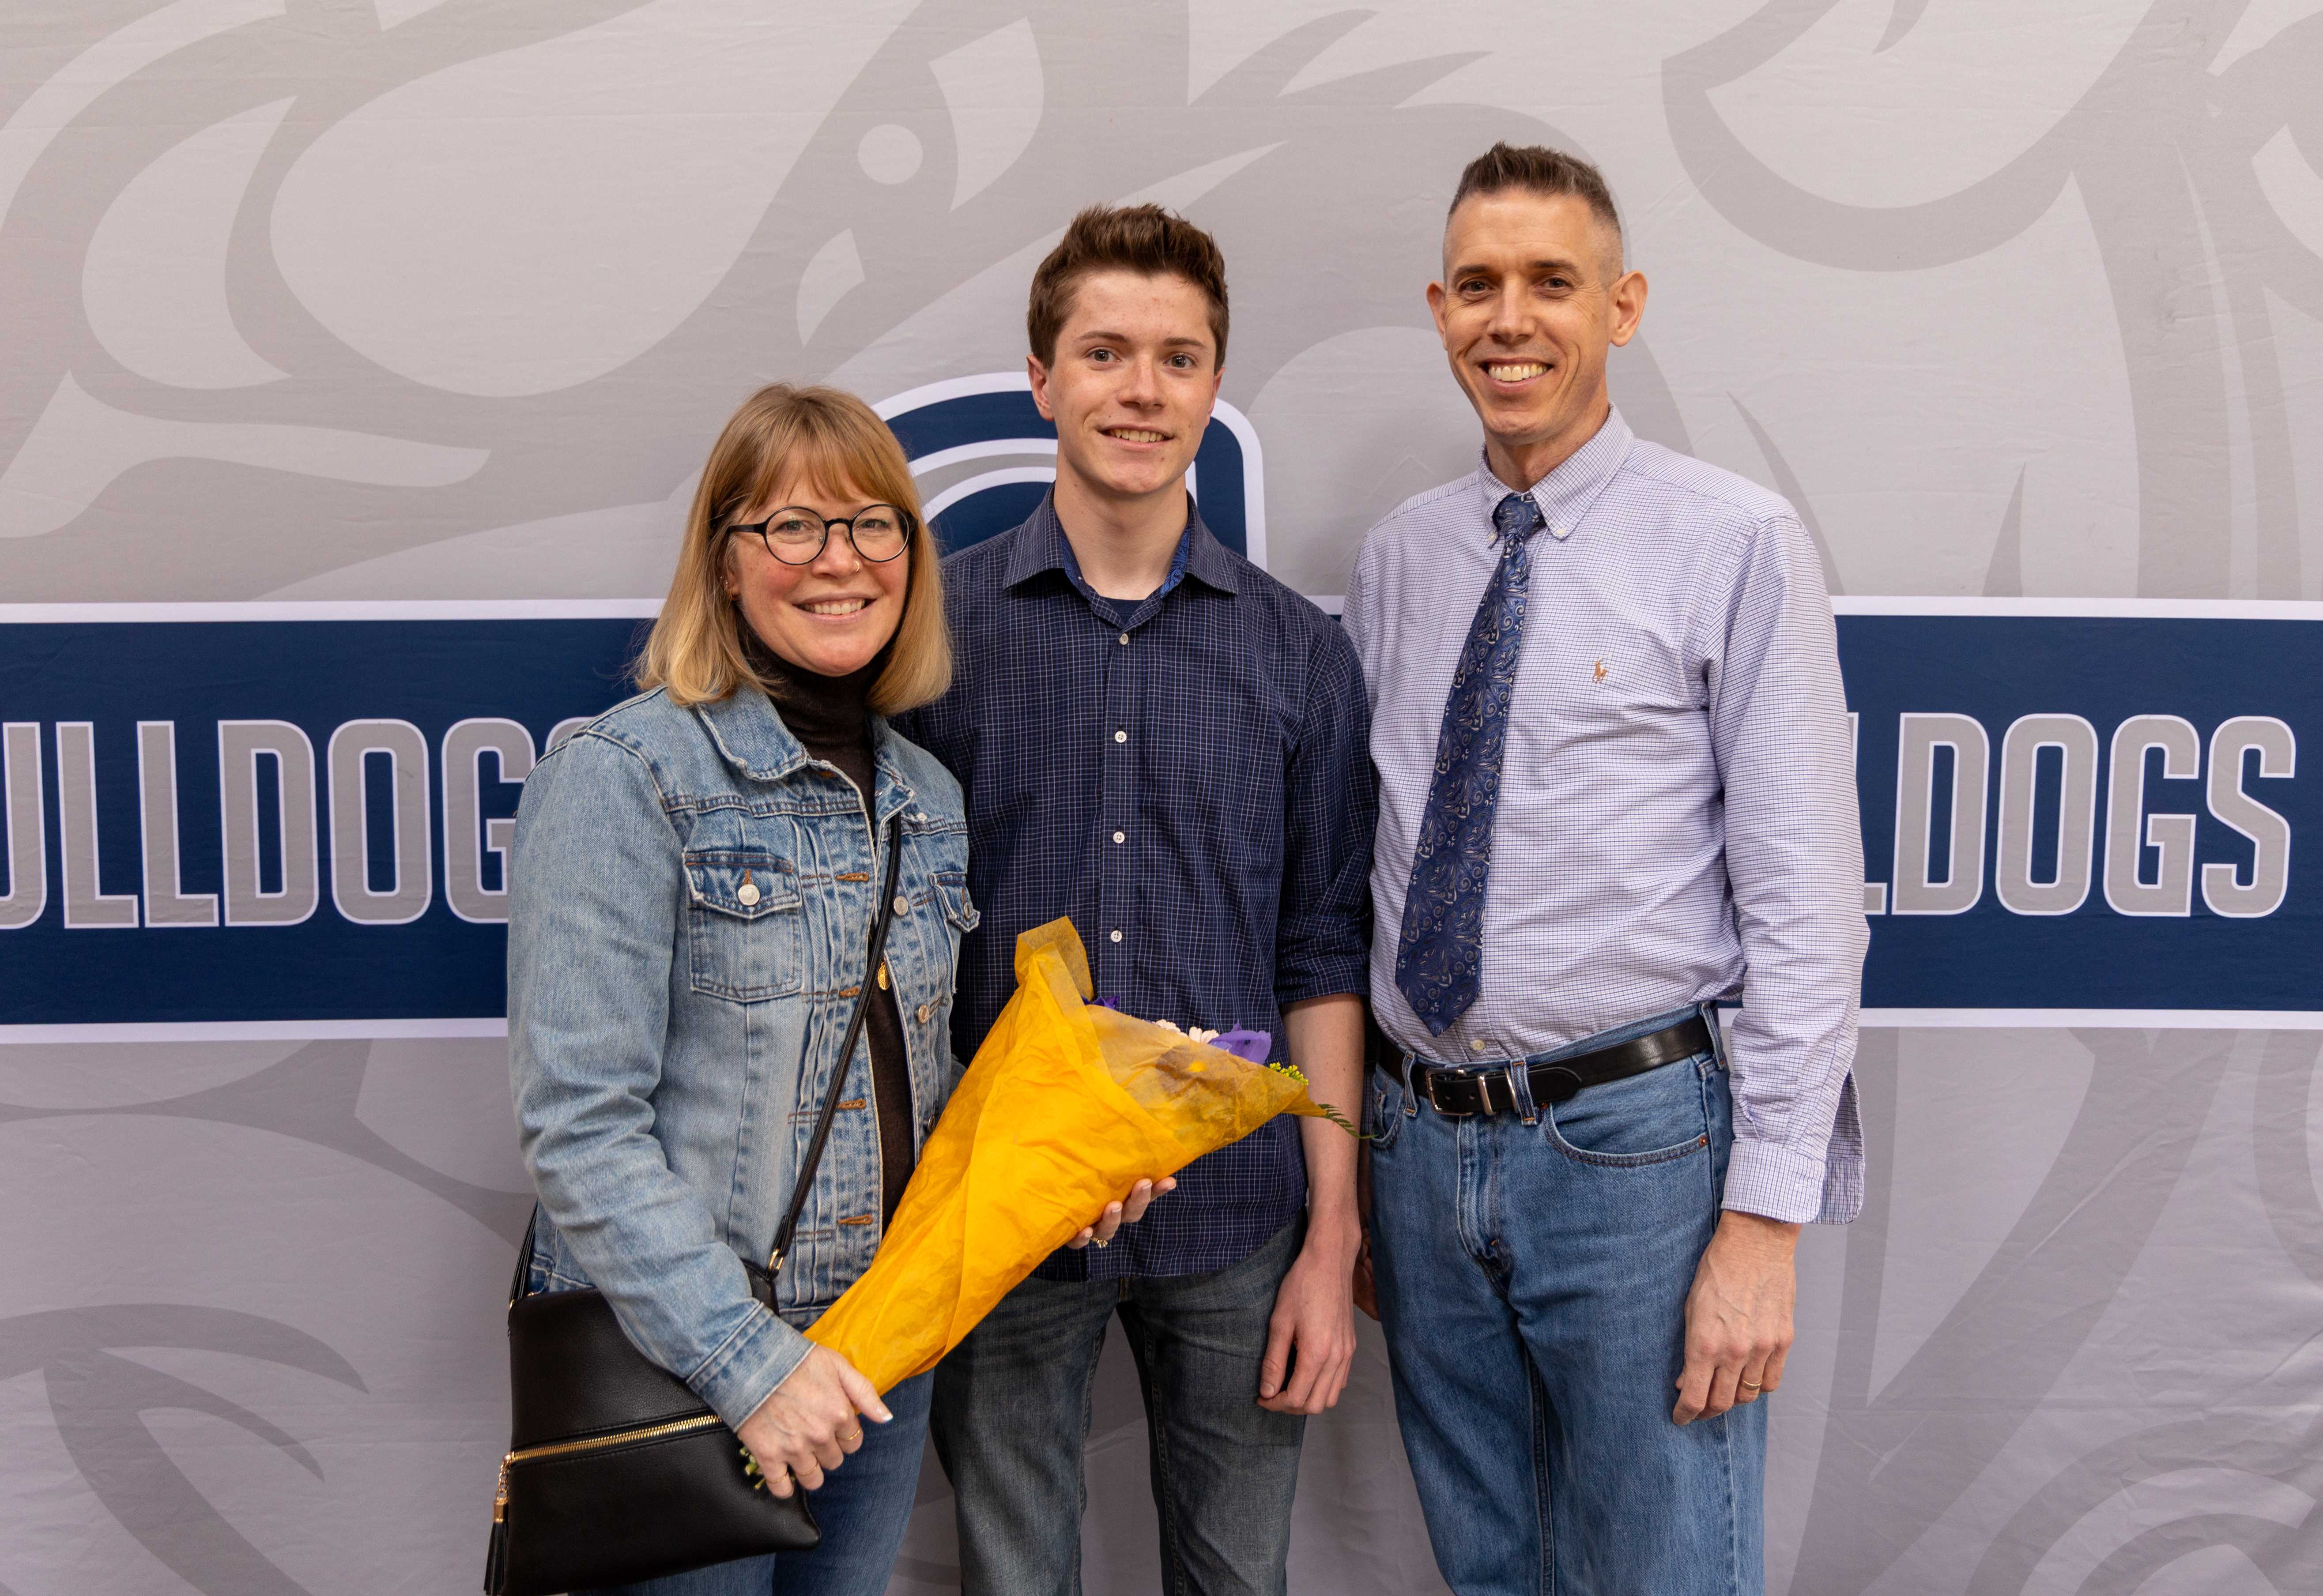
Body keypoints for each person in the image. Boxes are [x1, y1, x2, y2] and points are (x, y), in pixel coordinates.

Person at [505, 383, 1163, 1596]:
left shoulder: (924, 793)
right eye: (791, 528)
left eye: (874, 527)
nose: (839, 562)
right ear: (724, 560)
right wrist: (751, 1366)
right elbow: (579, 1130)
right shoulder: (623, 778)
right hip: (684, 1362)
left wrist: (1066, 1167)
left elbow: (905, 1087)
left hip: (877, 1357)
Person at [1344, 144, 1869, 1596]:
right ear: (1439, 308)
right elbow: (1378, 858)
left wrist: (1766, 1221)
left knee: (1662, 1575)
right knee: (1487, 1568)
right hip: (1421, 1148)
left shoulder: (1734, 542)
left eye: (1552, 283)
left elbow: (1810, 906)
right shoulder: (1400, 561)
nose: (1510, 319)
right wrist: (1379, 1178)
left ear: (1623, 306)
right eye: (1479, 286)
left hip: (1637, 1155)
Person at [898, 204, 1375, 1596]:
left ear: (1215, 389)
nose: (1140, 389)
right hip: (1004, 1205)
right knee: (1012, 1579)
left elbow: (1322, 953)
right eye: (1104, 352)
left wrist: (1331, 1241)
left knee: (1239, 1582)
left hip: (1238, 1220)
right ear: (1043, 380)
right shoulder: (938, 633)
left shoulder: (1300, 657)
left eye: (1177, 357)